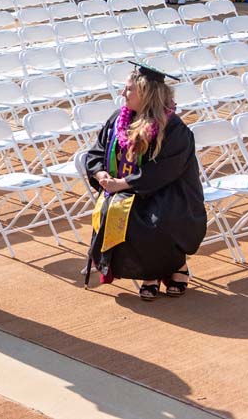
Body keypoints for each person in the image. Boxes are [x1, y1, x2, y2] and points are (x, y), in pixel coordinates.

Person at [85, 64, 206, 301]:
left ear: (146, 93)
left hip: (168, 190)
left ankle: (170, 268)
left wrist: (124, 183)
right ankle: (152, 272)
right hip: (126, 187)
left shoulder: (173, 128)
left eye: (129, 90)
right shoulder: (118, 119)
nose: (123, 94)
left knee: (155, 219)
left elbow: (165, 170)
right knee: (116, 210)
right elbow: (96, 153)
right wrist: (101, 175)